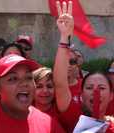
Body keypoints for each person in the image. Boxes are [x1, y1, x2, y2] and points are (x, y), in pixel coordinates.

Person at [53, 1, 114, 132]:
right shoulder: (73, 114)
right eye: (89, 87)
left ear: (111, 96)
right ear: (82, 94)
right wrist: (65, 36)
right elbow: (60, 84)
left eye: (102, 88)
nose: (95, 92)